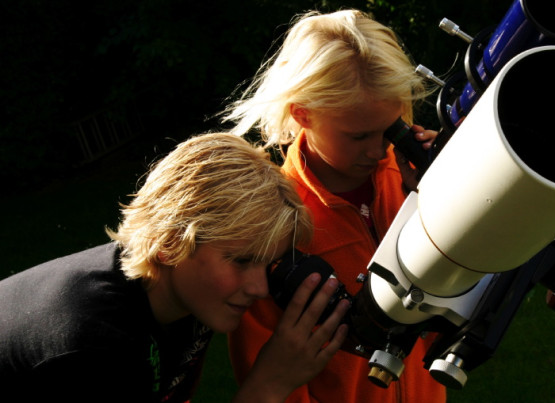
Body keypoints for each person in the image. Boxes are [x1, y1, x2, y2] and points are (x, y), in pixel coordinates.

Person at [0, 132, 350, 402]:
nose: (260, 288)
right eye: (241, 260)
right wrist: (268, 386)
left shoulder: (185, 299)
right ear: (170, 243)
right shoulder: (93, 347)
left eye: (267, 264)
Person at [221, 9, 447, 403]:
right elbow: (270, 380)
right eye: (359, 135)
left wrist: (443, 204)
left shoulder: (409, 181)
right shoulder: (272, 229)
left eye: (390, 129)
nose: (380, 151)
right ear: (302, 112)